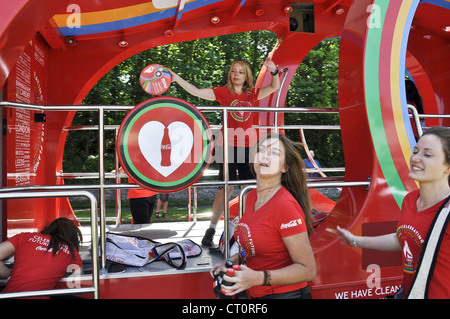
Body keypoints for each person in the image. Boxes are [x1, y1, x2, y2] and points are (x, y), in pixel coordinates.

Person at [169, 58, 280, 247]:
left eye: (240, 72)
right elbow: (196, 91)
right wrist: (176, 78)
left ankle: (246, 228)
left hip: (249, 146)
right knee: (226, 188)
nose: (236, 75)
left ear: (247, 76)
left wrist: (274, 71)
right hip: (227, 145)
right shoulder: (223, 92)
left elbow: (274, 87)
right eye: (233, 71)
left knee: (249, 188)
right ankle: (211, 229)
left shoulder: (252, 94)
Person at [337, 126, 450, 299]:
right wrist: (354, 240)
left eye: (427, 155)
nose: (415, 158)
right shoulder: (411, 200)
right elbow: (404, 238)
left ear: (447, 168)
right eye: (416, 151)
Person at [210, 132, 316, 299]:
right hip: (256, 294)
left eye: (274, 153)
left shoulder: (285, 206)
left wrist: (259, 278)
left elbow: (307, 270)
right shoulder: (250, 197)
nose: (265, 155)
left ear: (285, 167)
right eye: (261, 150)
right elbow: (257, 247)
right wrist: (234, 259)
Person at [0, 217, 83, 294]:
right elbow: (77, 281)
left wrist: (9, 273)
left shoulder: (25, 237)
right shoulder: (71, 252)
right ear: (74, 237)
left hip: (7, 295)